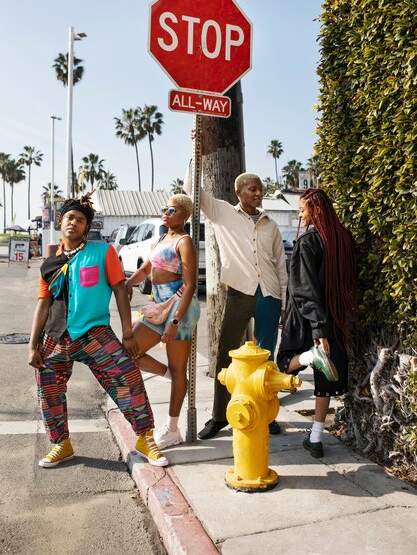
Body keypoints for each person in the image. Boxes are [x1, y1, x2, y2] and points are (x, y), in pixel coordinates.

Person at [28, 193, 168, 469]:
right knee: (49, 390)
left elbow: (119, 289)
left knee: (128, 377)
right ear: (60, 221)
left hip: (95, 334)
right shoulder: (49, 264)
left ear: (87, 227)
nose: (74, 223)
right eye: (70, 217)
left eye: (81, 220)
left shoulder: (103, 252)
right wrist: (33, 345)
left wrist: (127, 334)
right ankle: (61, 444)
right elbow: (43, 305)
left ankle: (144, 438)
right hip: (55, 336)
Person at [183, 155, 288, 440]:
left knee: (267, 358)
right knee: (226, 354)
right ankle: (219, 416)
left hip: (269, 295)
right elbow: (194, 192)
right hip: (239, 293)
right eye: (252, 188)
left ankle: (267, 414)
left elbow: (280, 265)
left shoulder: (270, 224)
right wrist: (194, 156)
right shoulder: (222, 213)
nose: (258, 193)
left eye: (260, 188)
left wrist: (283, 301)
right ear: (238, 192)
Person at [277, 188, 356, 458]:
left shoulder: (309, 241)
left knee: (285, 363)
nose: (300, 215)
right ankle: (316, 438)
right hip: (335, 316)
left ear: (316, 210)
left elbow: (303, 289)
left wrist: (316, 330)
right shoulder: (344, 238)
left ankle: (311, 356)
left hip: (308, 317)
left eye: (302, 210)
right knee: (324, 383)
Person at [126, 194, 200, 450]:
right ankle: (168, 374)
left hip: (180, 310)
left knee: (180, 369)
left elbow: (191, 285)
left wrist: (175, 322)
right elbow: (146, 270)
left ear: (185, 216)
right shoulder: (160, 239)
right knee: (128, 353)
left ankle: (172, 429)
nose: (166, 212)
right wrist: (127, 283)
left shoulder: (184, 242)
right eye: (165, 208)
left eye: (173, 209)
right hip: (157, 307)